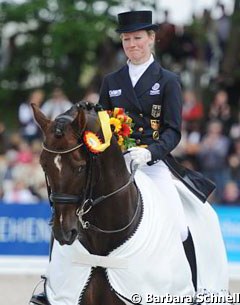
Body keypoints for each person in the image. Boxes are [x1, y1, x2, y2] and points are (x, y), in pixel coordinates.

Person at [30, 10, 214, 304]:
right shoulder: (112, 80)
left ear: (151, 39)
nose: (132, 44)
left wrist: (149, 152)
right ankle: (49, 289)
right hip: (113, 163)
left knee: (180, 224)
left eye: (138, 38)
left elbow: (173, 131)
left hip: (151, 164)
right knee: (66, 215)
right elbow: (99, 123)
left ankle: (191, 289)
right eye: (127, 39)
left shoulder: (168, 81)